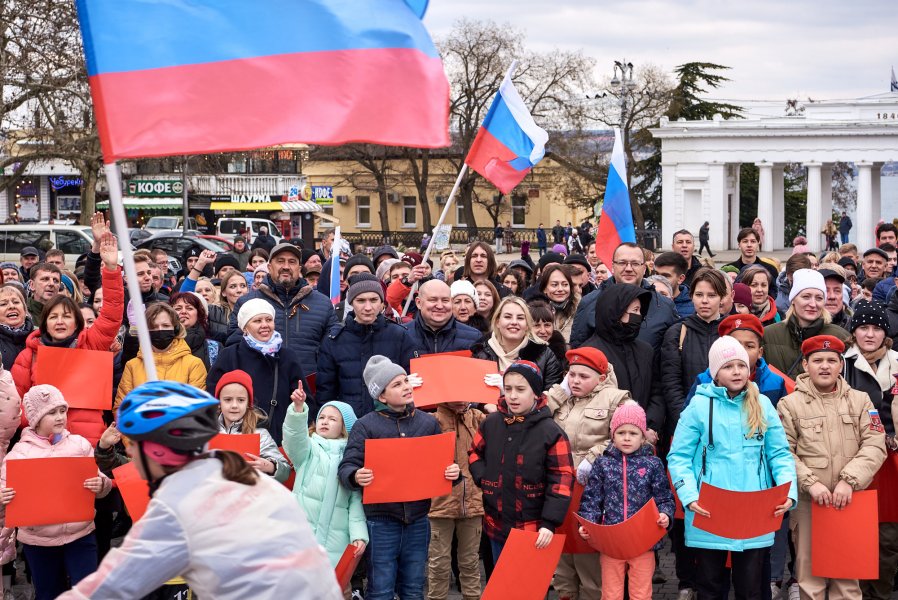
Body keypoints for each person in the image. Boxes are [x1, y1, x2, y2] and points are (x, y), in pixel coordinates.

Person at [62, 381, 341, 599]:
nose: (129, 450)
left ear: (157, 448)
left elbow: (110, 588)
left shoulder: (177, 505)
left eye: (132, 442)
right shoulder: (239, 472)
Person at [668, 336, 798, 599]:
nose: (736, 371)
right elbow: (678, 456)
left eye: (741, 364)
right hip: (708, 508)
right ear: (715, 373)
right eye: (728, 366)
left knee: (750, 588)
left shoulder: (762, 404)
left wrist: (788, 492)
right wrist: (689, 496)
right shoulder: (698, 406)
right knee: (710, 586)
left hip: (754, 508)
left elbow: (780, 454)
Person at [339, 355, 459, 600]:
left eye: (406, 381)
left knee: (413, 588)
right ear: (381, 396)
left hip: (418, 521)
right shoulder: (365, 426)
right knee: (380, 588)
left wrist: (452, 473)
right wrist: (355, 475)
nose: (406, 387)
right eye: (396, 384)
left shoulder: (428, 423)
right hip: (381, 522)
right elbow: (347, 466)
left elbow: (445, 465)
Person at [777, 335, 886, 599]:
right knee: (809, 580)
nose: (824, 366)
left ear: (841, 365)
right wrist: (810, 482)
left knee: (848, 583)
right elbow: (781, 452)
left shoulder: (861, 401)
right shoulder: (788, 405)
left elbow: (875, 444)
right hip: (808, 504)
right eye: (817, 360)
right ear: (805, 365)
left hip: (850, 502)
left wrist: (849, 480)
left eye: (831, 360)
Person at [0, 386, 111, 600]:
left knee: (87, 591)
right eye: (51, 412)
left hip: (81, 535)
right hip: (38, 541)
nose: (60, 417)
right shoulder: (19, 455)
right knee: (49, 592)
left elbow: (99, 480)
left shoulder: (79, 445)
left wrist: (101, 485)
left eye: (62, 410)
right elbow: (4, 491)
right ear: (35, 419)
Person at [12, 233, 123, 445]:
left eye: (66, 316)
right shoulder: (28, 356)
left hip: (88, 444)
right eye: (53, 317)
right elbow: (18, 404)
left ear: (77, 322)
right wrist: (40, 423)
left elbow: (111, 314)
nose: (60, 321)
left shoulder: (92, 345)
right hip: (43, 445)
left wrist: (111, 269)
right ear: (44, 323)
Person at [468, 360, 574, 563]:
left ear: (535, 392)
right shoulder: (491, 423)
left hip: (533, 529)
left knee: (527, 586)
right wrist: (485, 478)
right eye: (508, 389)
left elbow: (562, 479)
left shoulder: (551, 432)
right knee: (500, 586)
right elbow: (474, 453)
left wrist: (549, 523)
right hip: (496, 524)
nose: (513, 396)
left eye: (520, 389)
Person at [546, 347, 630, 600]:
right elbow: (533, 418)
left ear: (601, 378)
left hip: (591, 490)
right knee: (561, 561)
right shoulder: (563, 397)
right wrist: (559, 393)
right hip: (558, 487)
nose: (576, 381)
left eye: (583, 376)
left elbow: (627, 437)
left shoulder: (618, 399)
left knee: (589, 561)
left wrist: (594, 456)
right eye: (571, 375)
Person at [578, 402, 675, 600]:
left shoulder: (653, 464)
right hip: (611, 542)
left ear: (643, 436)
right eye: (621, 433)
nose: (627, 438)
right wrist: (588, 523)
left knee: (641, 594)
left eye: (633, 433)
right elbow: (591, 498)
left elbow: (664, 497)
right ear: (613, 435)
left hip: (643, 542)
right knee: (611, 594)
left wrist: (665, 514)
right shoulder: (603, 463)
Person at [839, 301, 898, 599]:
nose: (870, 334)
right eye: (863, 327)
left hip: (892, 465)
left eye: (877, 328)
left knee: (888, 537)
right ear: (854, 332)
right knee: (857, 533)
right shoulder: (841, 365)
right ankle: (857, 592)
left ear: (885, 333)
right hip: (855, 460)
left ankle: (882, 592)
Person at [282, 380, 367, 577]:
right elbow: (294, 437)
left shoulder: (351, 459)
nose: (325, 421)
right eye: (321, 417)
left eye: (332, 419)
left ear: (345, 427)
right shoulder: (309, 449)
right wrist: (298, 409)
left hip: (335, 541)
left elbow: (355, 504)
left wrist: (359, 535)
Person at [229, 243, 336, 382]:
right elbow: (234, 345)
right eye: (280, 261)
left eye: (292, 262)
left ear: (299, 268)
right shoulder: (247, 302)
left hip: (308, 390)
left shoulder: (322, 304)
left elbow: (331, 352)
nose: (286, 266)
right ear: (269, 267)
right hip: (260, 387)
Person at [206, 299, 306, 446]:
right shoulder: (230, 355)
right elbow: (213, 397)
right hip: (239, 438)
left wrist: (299, 401)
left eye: (268, 320)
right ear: (245, 328)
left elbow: (303, 398)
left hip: (279, 439)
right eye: (257, 321)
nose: (264, 325)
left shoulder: (287, 356)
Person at [315, 276, 415, 419]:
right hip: (349, 423)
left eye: (373, 300)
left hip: (393, 422)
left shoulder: (400, 335)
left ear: (382, 303)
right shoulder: (334, 340)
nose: (368, 307)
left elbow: (411, 382)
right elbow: (325, 391)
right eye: (361, 300)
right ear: (351, 303)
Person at [581, 284, 664, 441]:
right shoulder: (590, 351)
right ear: (615, 311)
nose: (638, 316)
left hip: (643, 437)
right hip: (602, 440)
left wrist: (650, 426)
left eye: (640, 311)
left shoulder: (645, 350)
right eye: (634, 311)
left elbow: (657, 392)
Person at [427, 401, 487, 600]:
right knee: (438, 564)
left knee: (470, 562)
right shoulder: (432, 420)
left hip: (473, 502)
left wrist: (499, 400)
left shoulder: (478, 417)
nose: (462, 401)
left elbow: (505, 426)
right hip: (440, 504)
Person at [570, 242, 679, 351]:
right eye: (622, 263)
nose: (628, 268)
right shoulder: (590, 302)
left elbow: (671, 352)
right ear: (612, 266)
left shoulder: (664, 306)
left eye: (635, 263)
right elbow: (578, 348)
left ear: (644, 268)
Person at [115, 303, 207, 411]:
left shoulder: (194, 364)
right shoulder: (132, 366)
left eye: (166, 326)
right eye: (153, 327)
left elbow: (198, 407)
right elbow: (121, 408)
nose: (160, 330)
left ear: (176, 328)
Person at [764, 269, 849, 379]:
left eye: (819, 298)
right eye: (806, 297)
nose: (813, 304)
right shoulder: (768, 335)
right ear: (793, 299)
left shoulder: (841, 337)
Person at [471, 296, 563, 392]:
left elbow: (551, 396)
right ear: (498, 322)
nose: (514, 322)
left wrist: (507, 388)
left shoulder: (545, 355)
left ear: (527, 325)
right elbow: (472, 393)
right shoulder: (480, 352)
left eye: (520, 318)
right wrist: (485, 405)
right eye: (507, 317)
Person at [214, 369, 291, 483]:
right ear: (219, 403)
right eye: (228, 400)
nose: (234, 405)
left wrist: (269, 466)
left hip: (247, 495)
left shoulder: (260, 434)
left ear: (248, 403)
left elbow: (285, 471)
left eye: (241, 400)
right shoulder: (207, 431)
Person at [406, 280, 480, 356]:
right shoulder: (403, 334)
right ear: (418, 303)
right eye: (433, 300)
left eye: (445, 300)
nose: (440, 306)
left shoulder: (473, 336)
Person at [169, 292, 221, 370]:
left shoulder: (215, 348)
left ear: (198, 314)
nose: (183, 312)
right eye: (178, 309)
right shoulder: (161, 345)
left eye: (189, 308)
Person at [539, 264, 579, 342]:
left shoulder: (581, 310)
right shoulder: (535, 312)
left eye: (565, 284)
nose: (560, 289)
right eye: (554, 285)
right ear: (544, 288)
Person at [0, 285, 33, 369]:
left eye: (16, 302)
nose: (11, 306)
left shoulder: (39, 335)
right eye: (3, 304)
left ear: (24, 308)